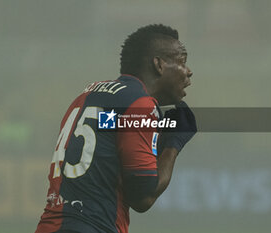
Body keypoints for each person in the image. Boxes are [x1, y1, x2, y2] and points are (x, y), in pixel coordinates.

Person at [35, 24, 197, 233]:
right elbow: (143, 197)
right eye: (182, 61)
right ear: (159, 64)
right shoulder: (140, 104)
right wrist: (175, 142)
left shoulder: (87, 96)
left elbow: (111, 136)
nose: (189, 71)